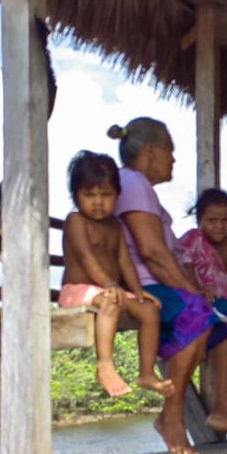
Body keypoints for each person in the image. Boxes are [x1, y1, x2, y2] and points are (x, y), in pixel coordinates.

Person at [109, 118, 227, 454]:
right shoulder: (133, 182)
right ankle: (171, 418)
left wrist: (193, 289)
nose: (173, 160)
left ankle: (223, 409)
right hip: (141, 287)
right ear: (149, 151)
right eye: (169, 152)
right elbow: (152, 252)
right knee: (200, 312)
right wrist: (191, 292)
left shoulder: (140, 187)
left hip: (159, 285)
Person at [59, 150, 173, 399]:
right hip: (77, 291)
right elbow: (87, 257)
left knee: (149, 310)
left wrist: (138, 290)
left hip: (108, 290)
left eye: (106, 195)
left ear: (117, 195)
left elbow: (124, 261)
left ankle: (146, 372)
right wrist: (111, 284)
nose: (98, 202)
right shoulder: (76, 220)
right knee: (110, 299)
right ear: (76, 196)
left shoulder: (115, 225)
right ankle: (105, 366)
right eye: (89, 195)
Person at [179, 189, 227, 402]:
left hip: (224, 296)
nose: (219, 226)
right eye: (212, 220)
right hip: (200, 297)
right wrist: (199, 292)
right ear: (199, 219)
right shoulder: (192, 239)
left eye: (225, 220)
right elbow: (186, 269)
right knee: (220, 319)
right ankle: (222, 383)